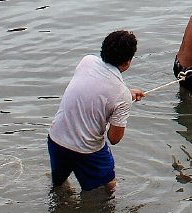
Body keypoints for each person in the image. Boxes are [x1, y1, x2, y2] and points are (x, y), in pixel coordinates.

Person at [48, 30, 145, 193]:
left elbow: (93, 89)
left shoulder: (87, 61)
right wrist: (124, 103)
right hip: (87, 151)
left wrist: (125, 96)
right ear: (128, 62)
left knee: (58, 185)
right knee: (110, 186)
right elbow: (114, 138)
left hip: (56, 140)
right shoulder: (121, 95)